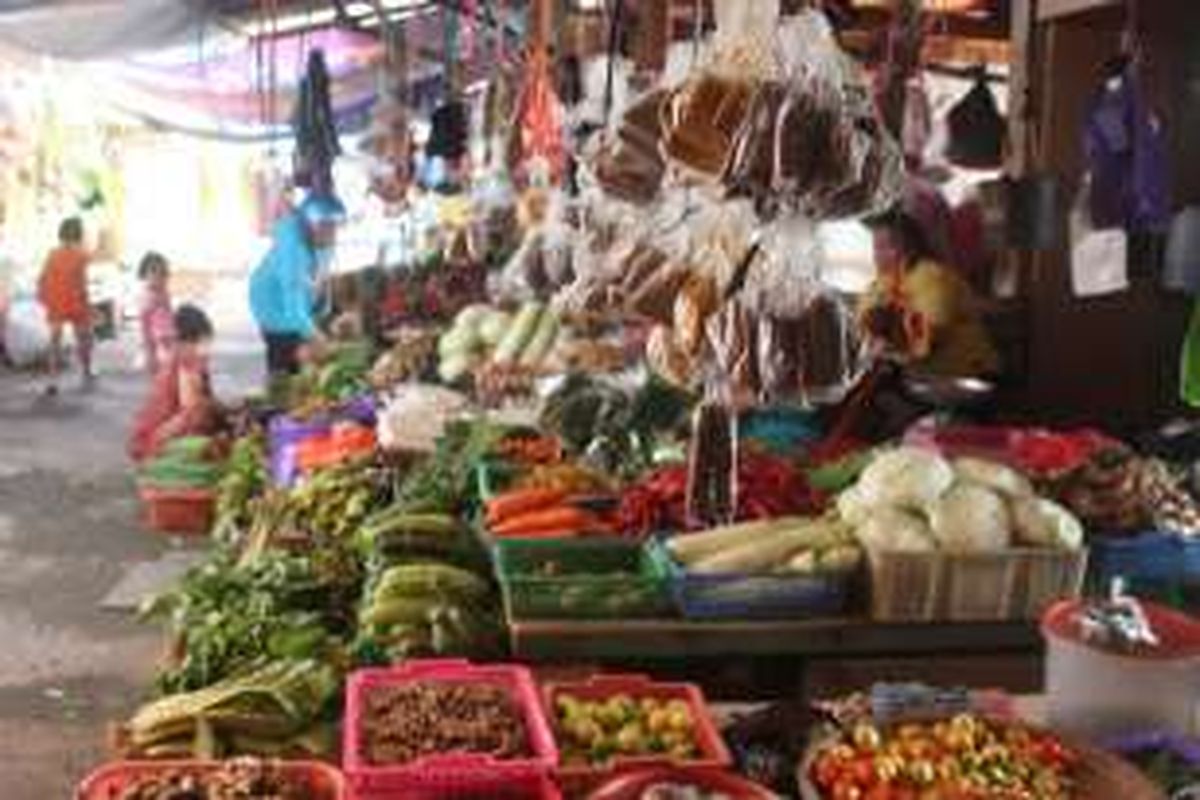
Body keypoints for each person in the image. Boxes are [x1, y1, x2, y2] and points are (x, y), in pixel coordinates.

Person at [859, 209, 999, 379]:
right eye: (876, 247)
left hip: (965, 376)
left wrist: (883, 334)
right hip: (911, 377)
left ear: (912, 247)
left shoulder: (933, 277)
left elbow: (927, 336)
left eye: (888, 246)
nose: (879, 255)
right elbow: (863, 328)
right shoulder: (879, 285)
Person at [249, 192, 345, 379]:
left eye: (335, 226)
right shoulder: (291, 249)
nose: (331, 233)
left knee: (309, 354)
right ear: (308, 225)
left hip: (300, 305)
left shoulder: (324, 239)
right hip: (273, 310)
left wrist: (326, 313)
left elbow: (319, 278)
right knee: (288, 368)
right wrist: (317, 337)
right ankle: (280, 390)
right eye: (325, 226)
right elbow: (293, 306)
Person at [128, 304, 223, 462]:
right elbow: (190, 415)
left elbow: (206, 400)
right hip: (158, 445)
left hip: (174, 435)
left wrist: (224, 410)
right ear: (181, 342)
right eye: (199, 343)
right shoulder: (178, 372)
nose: (205, 351)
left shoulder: (194, 365)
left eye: (207, 343)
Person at [38, 217, 93, 389]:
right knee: (83, 338)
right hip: (75, 300)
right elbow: (82, 282)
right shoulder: (81, 254)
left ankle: (52, 379)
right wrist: (87, 302)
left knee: (54, 340)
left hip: (57, 300)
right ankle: (86, 370)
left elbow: (44, 278)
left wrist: (44, 297)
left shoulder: (53, 253)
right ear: (79, 234)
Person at [138, 251, 174, 374]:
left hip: (168, 343)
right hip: (157, 346)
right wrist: (149, 353)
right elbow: (145, 327)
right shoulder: (148, 297)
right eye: (154, 273)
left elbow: (170, 317)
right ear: (144, 275)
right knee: (159, 377)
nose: (159, 278)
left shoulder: (164, 293)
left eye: (163, 274)